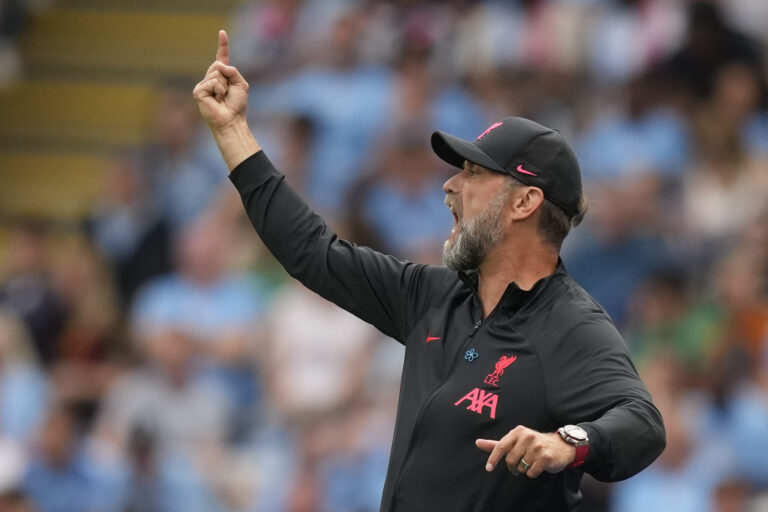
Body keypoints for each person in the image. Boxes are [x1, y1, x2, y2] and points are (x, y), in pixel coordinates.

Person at [193, 30, 666, 512]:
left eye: (473, 173)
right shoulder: (432, 295)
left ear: (524, 202)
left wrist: (568, 442)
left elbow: (643, 424)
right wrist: (232, 132)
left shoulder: (568, 324)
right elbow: (312, 252)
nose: (450, 185)